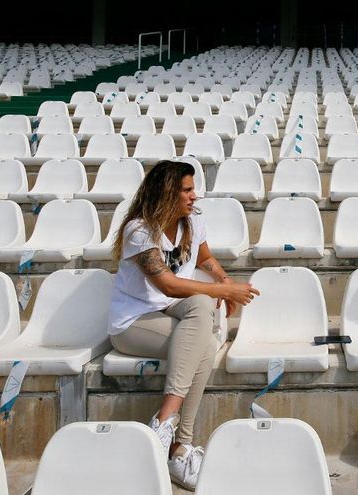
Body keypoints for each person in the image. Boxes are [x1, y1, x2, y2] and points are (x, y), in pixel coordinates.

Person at [108, 160, 260, 490]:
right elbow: (168, 286)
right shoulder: (139, 230)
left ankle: (175, 443)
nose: (195, 196)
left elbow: (204, 260)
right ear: (167, 192)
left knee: (204, 318)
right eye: (188, 190)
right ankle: (169, 433)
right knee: (204, 336)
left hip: (171, 312)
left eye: (194, 189)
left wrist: (224, 279)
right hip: (134, 323)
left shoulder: (192, 221)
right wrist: (223, 290)